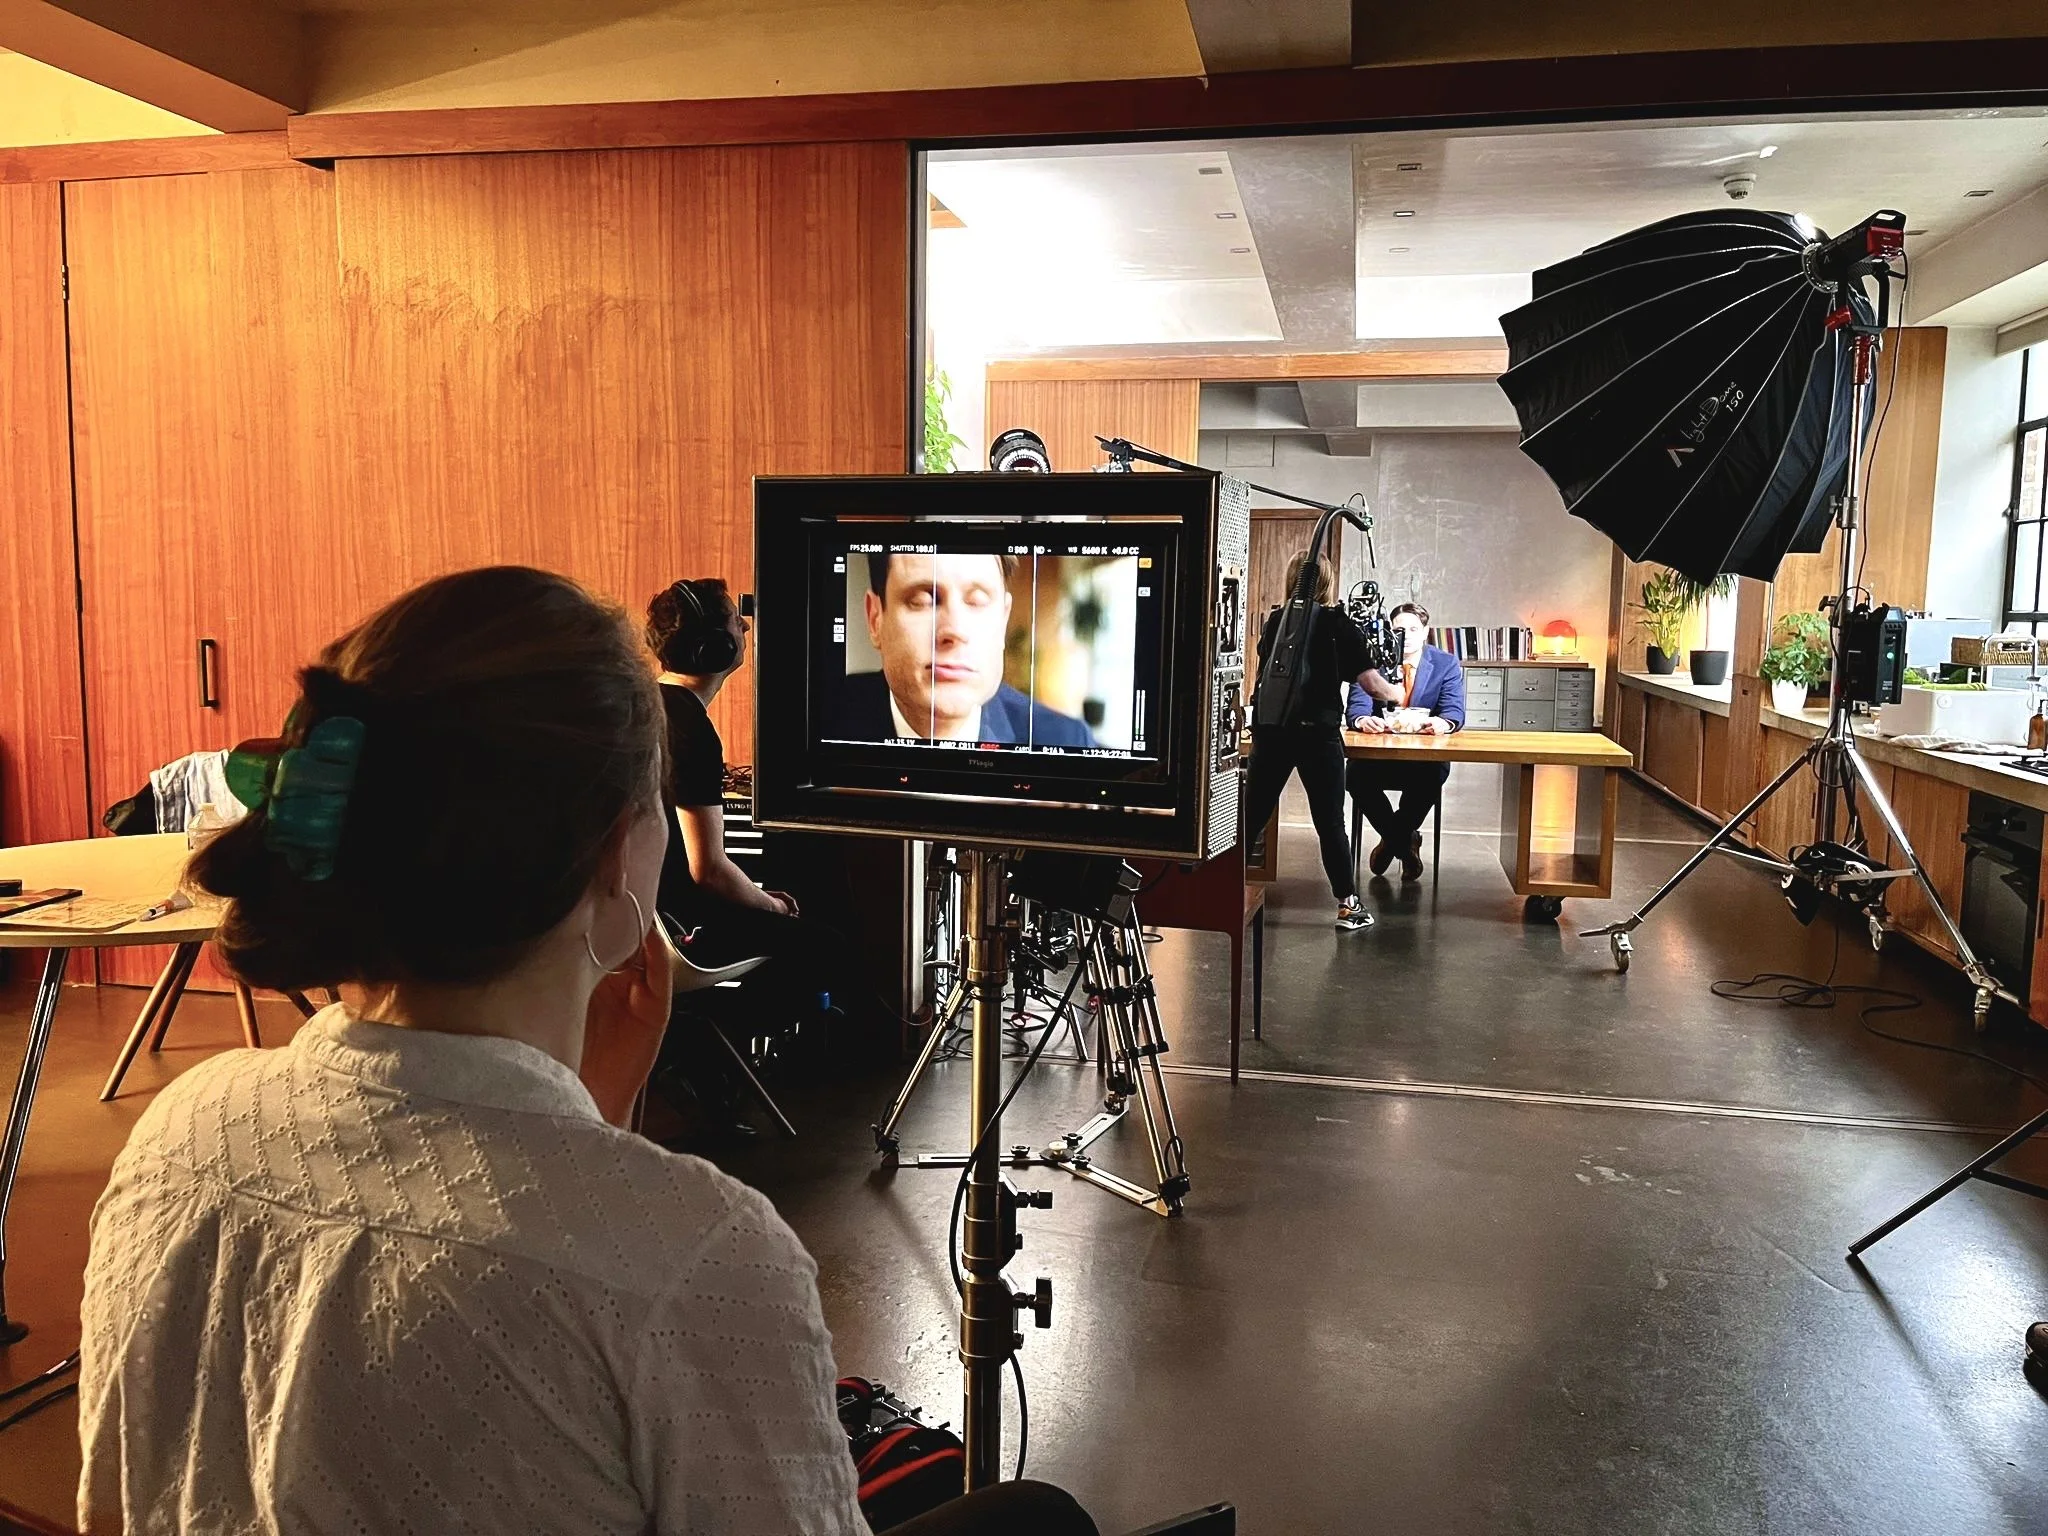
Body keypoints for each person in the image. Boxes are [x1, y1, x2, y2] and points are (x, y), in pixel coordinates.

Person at [78, 565, 1094, 1536]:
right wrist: (601, 1160)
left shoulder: (183, 1131)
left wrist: (588, 1124)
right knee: (1038, 1517)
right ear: (619, 851)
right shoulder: (697, 1254)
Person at [645, 577, 805, 962]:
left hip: (640, 916)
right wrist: (774, 905)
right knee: (825, 947)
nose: (746, 626)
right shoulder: (690, 729)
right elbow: (710, 871)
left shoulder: (646, 702)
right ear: (716, 647)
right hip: (675, 928)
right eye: (737, 620)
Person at [829, 551, 1095, 747]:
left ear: (1002, 620)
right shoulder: (817, 721)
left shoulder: (1067, 741)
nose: (954, 630)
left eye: (977, 602)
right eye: (922, 601)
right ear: (876, 619)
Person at [1243, 552, 1376, 931]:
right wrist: (1397, 696)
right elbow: (1370, 682)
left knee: (1252, 817)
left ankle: (1223, 889)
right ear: (1327, 582)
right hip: (1317, 733)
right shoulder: (1337, 624)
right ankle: (1348, 906)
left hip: (1272, 731)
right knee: (1330, 822)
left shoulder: (1274, 622)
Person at [1345, 601, 1467, 881]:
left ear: (1426, 632)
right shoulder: (1372, 659)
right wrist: (1363, 720)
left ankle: (1391, 842)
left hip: (1423, 755)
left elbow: (1454, 711)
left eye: (1414, 629)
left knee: (1433, 774)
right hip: (1379, 753)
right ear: (1390, 632)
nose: (1407, 635)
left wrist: (1443, 723)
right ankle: (1404, 842)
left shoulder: (1445, 663)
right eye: (1400, 629)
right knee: (1354, 775)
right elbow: (1356, 708)